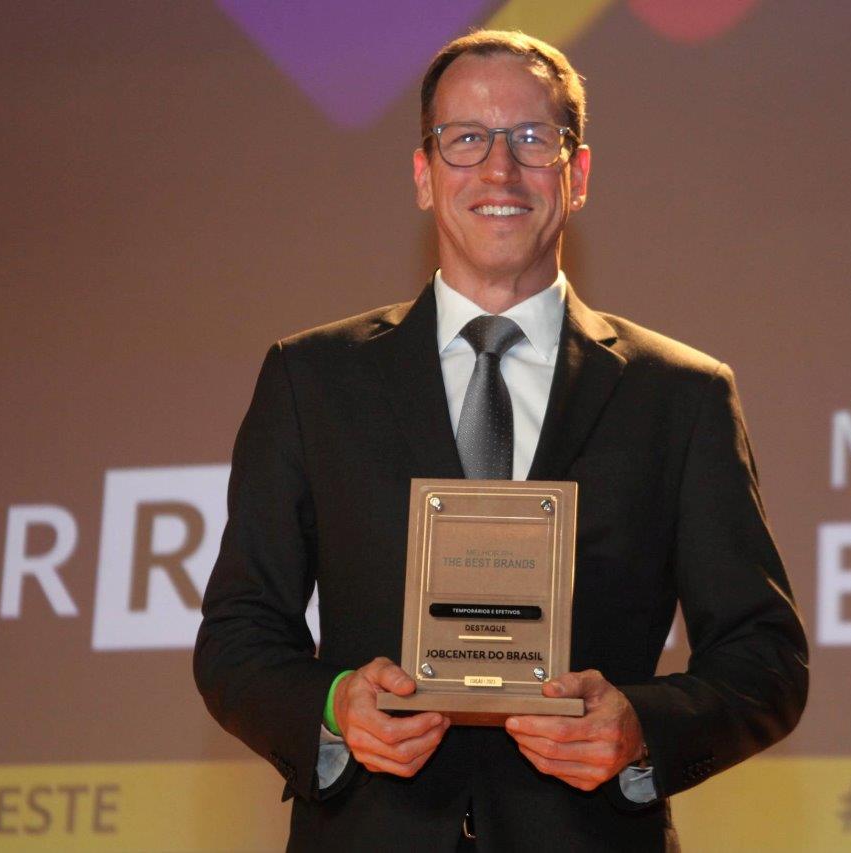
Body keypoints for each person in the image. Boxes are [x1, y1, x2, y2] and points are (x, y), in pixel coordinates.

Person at [194, 29, 808, 852]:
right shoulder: (312, 380)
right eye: (466, 140)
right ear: (424, 175)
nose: (498, 170)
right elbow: (237, 636)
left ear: (577, 174)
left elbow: (765, 656)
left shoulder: (680, 395)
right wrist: (337, 707)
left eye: (530, 138)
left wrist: (639, 727)